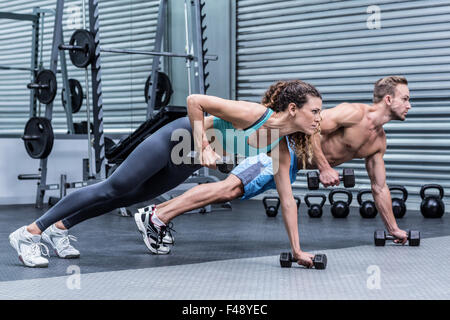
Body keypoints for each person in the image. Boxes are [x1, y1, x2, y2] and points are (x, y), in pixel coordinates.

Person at [9, 79, 322, 268]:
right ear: (293, 108)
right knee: (114, 185)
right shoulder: (255, 115)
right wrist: (203, 145)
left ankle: (60, 227)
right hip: (176, 138)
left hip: (186, 161)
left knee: (130, 196)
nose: (319, 119)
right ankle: (29, 234)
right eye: (315, 111)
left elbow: (288, 201)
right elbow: (194, 101)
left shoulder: (279, 148)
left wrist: (297, 251)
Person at [135, 75, 412, 267]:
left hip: (289, 165)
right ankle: (158, 217)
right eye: (405, 99)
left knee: (229, 192)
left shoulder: (378, 142)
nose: (409, 106)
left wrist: (394, 229)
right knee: (229, 188)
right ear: (388, 100)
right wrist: (325, 167)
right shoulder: (353, 114)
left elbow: (379, 187)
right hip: (282, 149)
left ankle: (156, 213)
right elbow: (310, 129)